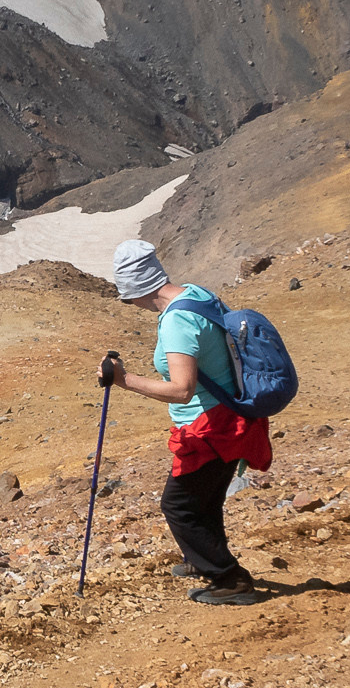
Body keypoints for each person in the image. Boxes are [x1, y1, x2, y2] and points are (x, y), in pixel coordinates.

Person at [102, 240, 269, 607]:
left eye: (127, 298)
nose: (131, 305)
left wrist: (123, 380)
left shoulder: (177, 321)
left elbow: (182, 389)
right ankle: (200, 558)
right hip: (231, 417)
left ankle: (230, 578)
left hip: (209, 426)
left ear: (135, 290)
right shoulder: (197, 295)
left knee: (178, 505)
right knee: (205, 499)